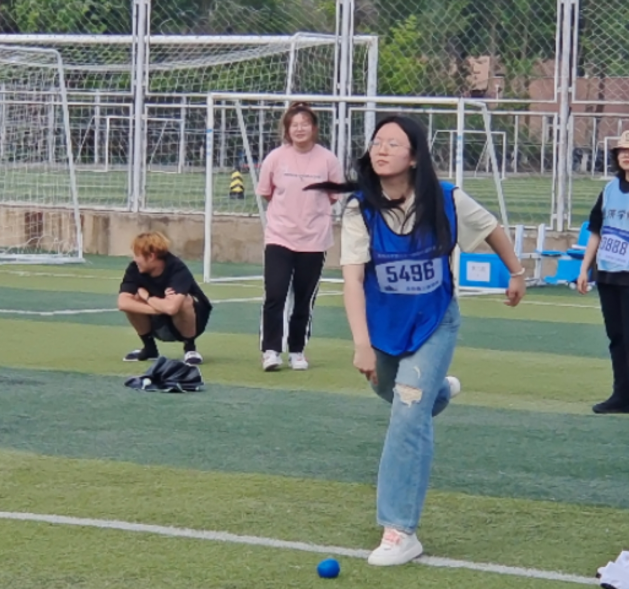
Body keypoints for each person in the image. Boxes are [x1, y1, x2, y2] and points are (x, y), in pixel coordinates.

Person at [311, 115, 526, 566]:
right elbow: (352, 281)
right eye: (377, 142)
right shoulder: (360, 209)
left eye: (393, 143)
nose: (381, 149)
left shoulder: (447, 198)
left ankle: (400, 530)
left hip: (434, 322)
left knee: (408, 413)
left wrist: (517, 272)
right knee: (397, 394)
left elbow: (490, 227)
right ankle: (439, 390)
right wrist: (361, 344)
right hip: (384, 328)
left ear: (414, 157)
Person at [254, 102, 344, 372]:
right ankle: (271, 350)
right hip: (280, 237)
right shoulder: (275, 158)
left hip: (314, 240)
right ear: (287, 129)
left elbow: (333, 195)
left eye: (305, 124)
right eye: (294, 124)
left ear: (314, 128)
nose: (300, 129)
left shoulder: (328, 160)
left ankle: (297, 350)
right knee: (275, 293)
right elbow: (267, 192)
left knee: (304, 298)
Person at [575, 130, 629, 414]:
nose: (625, 155)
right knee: (617, 337)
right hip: (608, 272)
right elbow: (596, 231)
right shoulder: (609, 190)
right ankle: (621, 396)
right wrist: (584, 268)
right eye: (622, 151)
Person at [117, 232, 212, 365]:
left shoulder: (177, 268)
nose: (135, 259)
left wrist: (148, 297)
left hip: (194, 322)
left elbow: (172, 308)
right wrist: (161, 308)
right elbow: (123, 303)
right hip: (161, 318)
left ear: (151, 256)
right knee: (133, 299)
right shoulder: (134, 269)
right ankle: (149, 349)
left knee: (184, 301)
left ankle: (190, 348)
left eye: (137, 255)